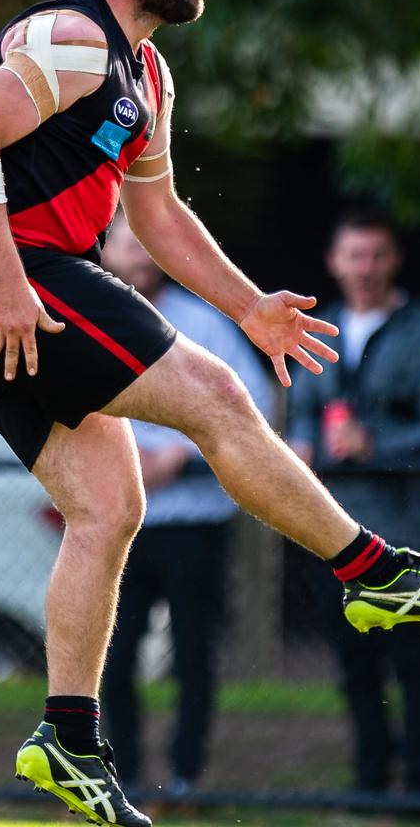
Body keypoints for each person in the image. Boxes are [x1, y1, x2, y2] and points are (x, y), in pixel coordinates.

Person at [0, 0, 420, 827]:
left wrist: (250, 304)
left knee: (110, 506)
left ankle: (67, 734)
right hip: (5, 285)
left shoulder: (148, 75)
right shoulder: (71, 38)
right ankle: (375, 574)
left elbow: (159, 216)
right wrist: (10, 282)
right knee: (215, 394)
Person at [287, 209, 420, 793]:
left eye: (376, 255)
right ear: (334, 263)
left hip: (408, 529)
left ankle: (418, 789)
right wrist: (304, 442)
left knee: (411, 665)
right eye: (354, 255)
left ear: (395, 260)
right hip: (337, 528)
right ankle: (368, 783)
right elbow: (304, 410)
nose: (365, 268)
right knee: (355, 667)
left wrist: (376, 444)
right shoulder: (320, 326)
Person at [101, 212, 274, 794]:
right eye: (130, 247)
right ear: (107, 251)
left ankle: (185, 778)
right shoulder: (82, 319)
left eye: (149, 248)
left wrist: (180, 457)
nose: (141, 260)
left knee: (193, 656)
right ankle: (118, 777)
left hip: (193, 524)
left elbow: (255, 414)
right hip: (116, 525)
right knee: (112, 659)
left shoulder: (206, 325)